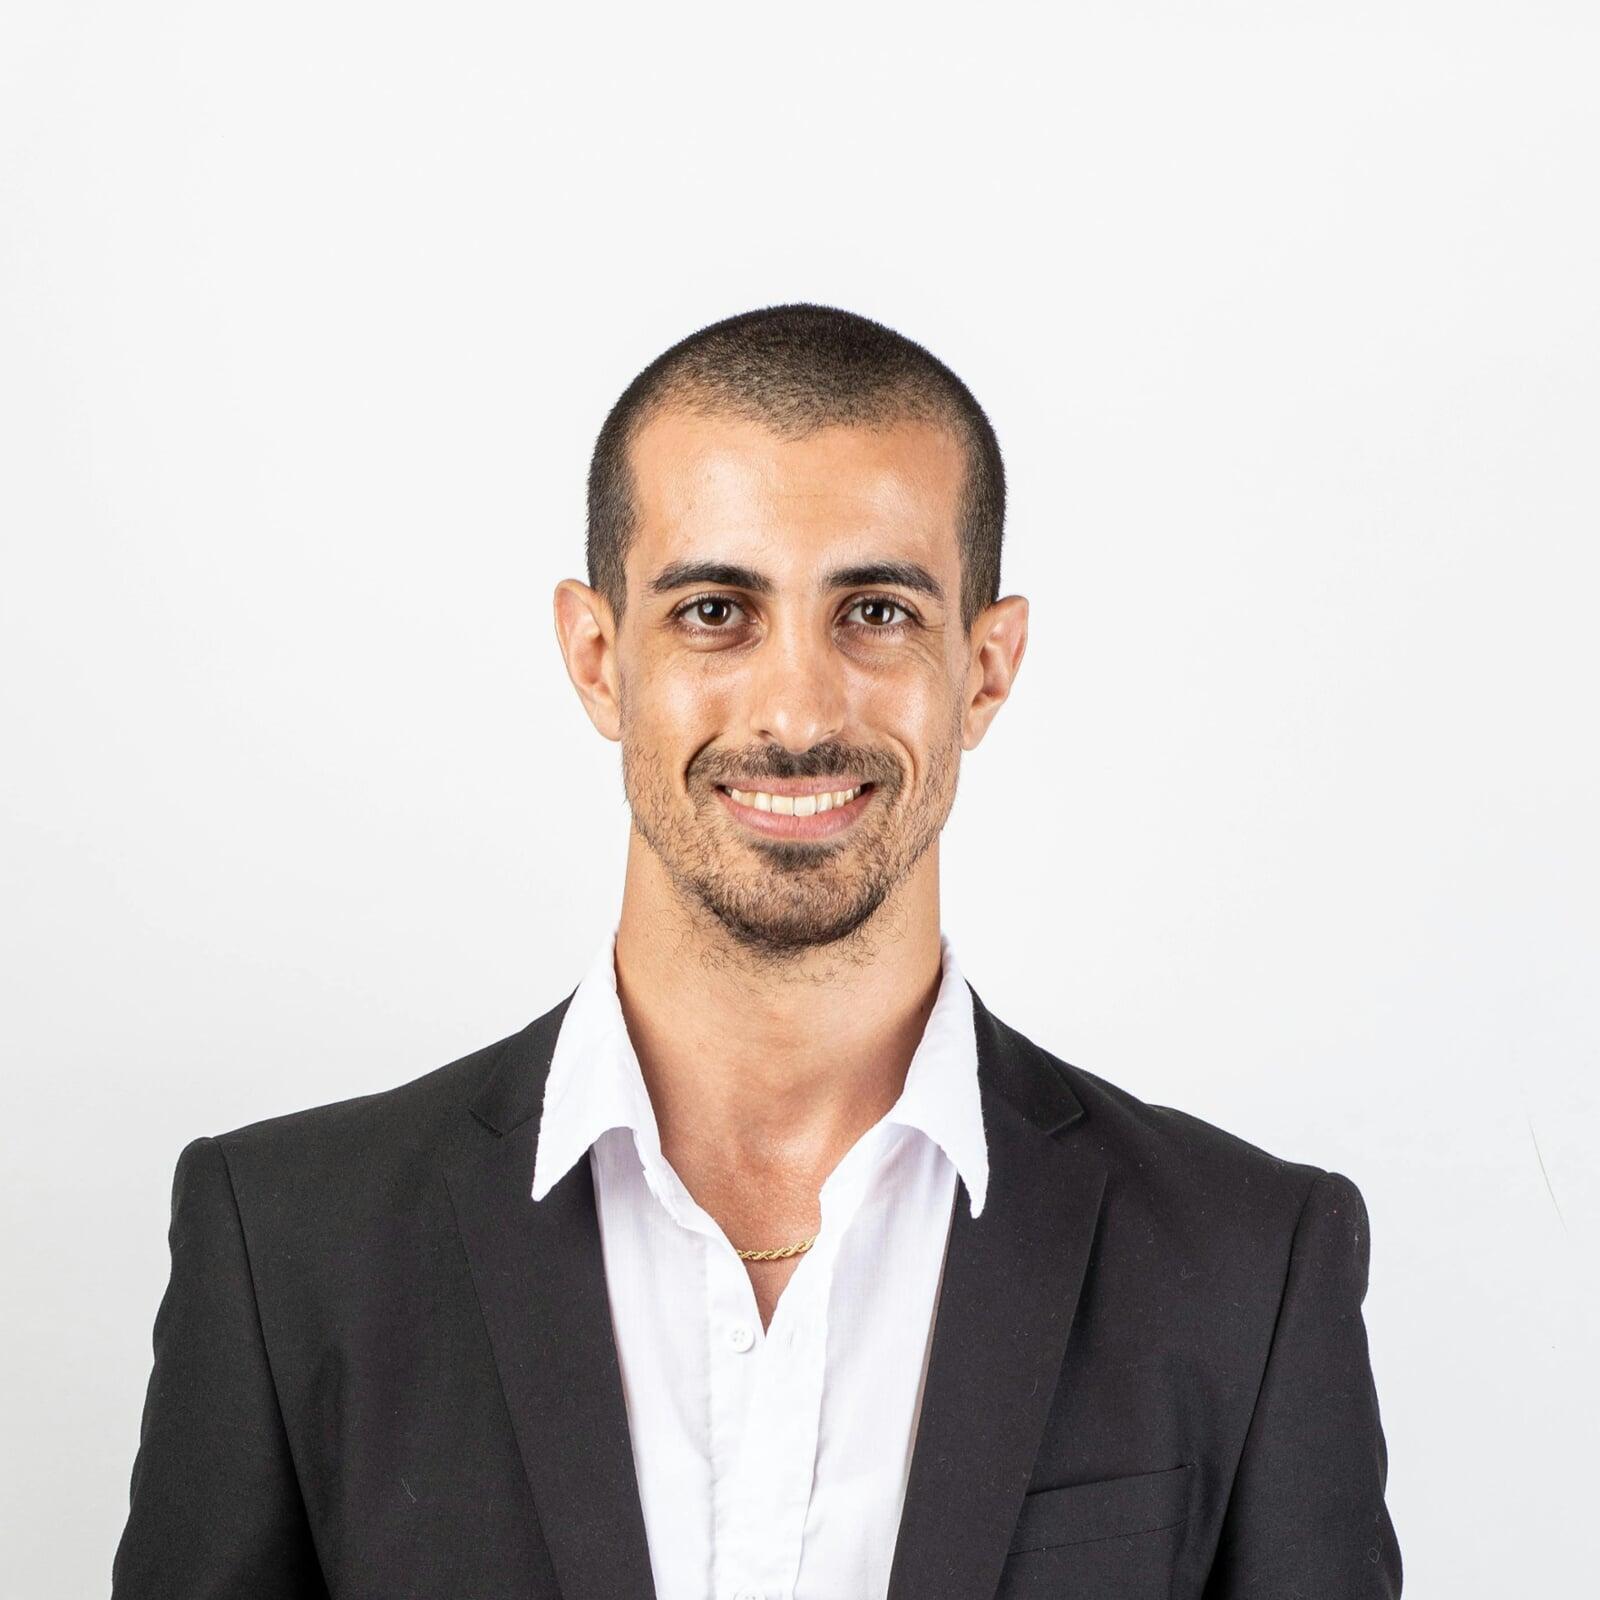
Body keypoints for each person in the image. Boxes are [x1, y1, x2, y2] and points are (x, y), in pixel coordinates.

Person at [112, 304, 1402, 1599]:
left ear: (986, 668)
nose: (796, 711)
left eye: (877, 611)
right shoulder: (289, 1249)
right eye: (717, 610)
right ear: (598, 658)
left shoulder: (1249, 1266)